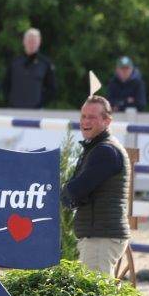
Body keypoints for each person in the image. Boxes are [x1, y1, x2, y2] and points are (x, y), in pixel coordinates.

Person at [61, 95, 130, 274]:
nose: (85, 121)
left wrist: (63, 191)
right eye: (83, 116)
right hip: (99, 235)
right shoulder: (96, 148)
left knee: (96, 289)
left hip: (101, 237)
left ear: (107, 121)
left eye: (92, 117)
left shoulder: (105, 151)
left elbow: (77, 190)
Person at [4, 27, 56, 108]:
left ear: (39, 42)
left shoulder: (45, 64)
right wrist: (10, 101)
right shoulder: (14, 62)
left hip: (36, 110)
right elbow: (5, 84)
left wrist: (40, 103)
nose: (32, 43)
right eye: (29, 40)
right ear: (24, 42)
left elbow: (51, 88)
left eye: (34, 41)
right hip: (14, 109)